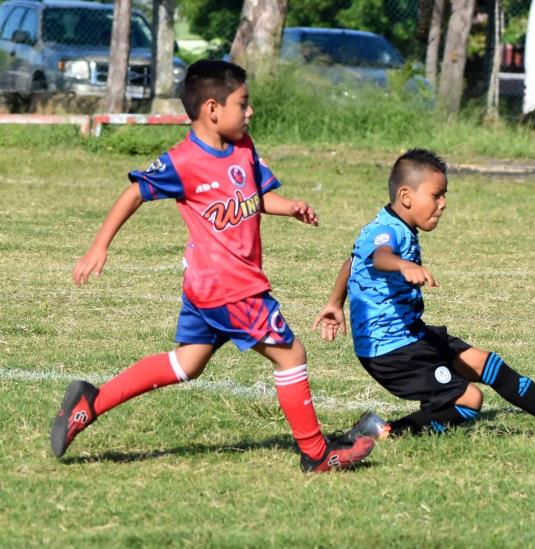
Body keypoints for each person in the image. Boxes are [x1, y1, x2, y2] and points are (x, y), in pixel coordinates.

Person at [50, 60, 375, 473]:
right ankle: (316, 454)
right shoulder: (182, 161)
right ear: (212, 109)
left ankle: (90, 402)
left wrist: (288, 207)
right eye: (244, 103)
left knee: (187, 364)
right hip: (232, 288)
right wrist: (99, 246)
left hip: (206, 290)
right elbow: (133, 193)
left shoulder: (243, 146)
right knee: (291, 356)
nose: (250, 111)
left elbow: (254, 197)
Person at [312, 148, 535, 445]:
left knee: (485, 363)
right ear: (406, 196)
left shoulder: (394, 224)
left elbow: (353, 261)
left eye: (444, 196)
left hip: (411, 336)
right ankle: (383, 432)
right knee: (469, 401)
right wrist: (403, 265)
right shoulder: (386, 231)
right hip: (391, 352)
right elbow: (380, 257)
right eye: (435, 195)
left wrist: (334, 303)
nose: (442, 204)